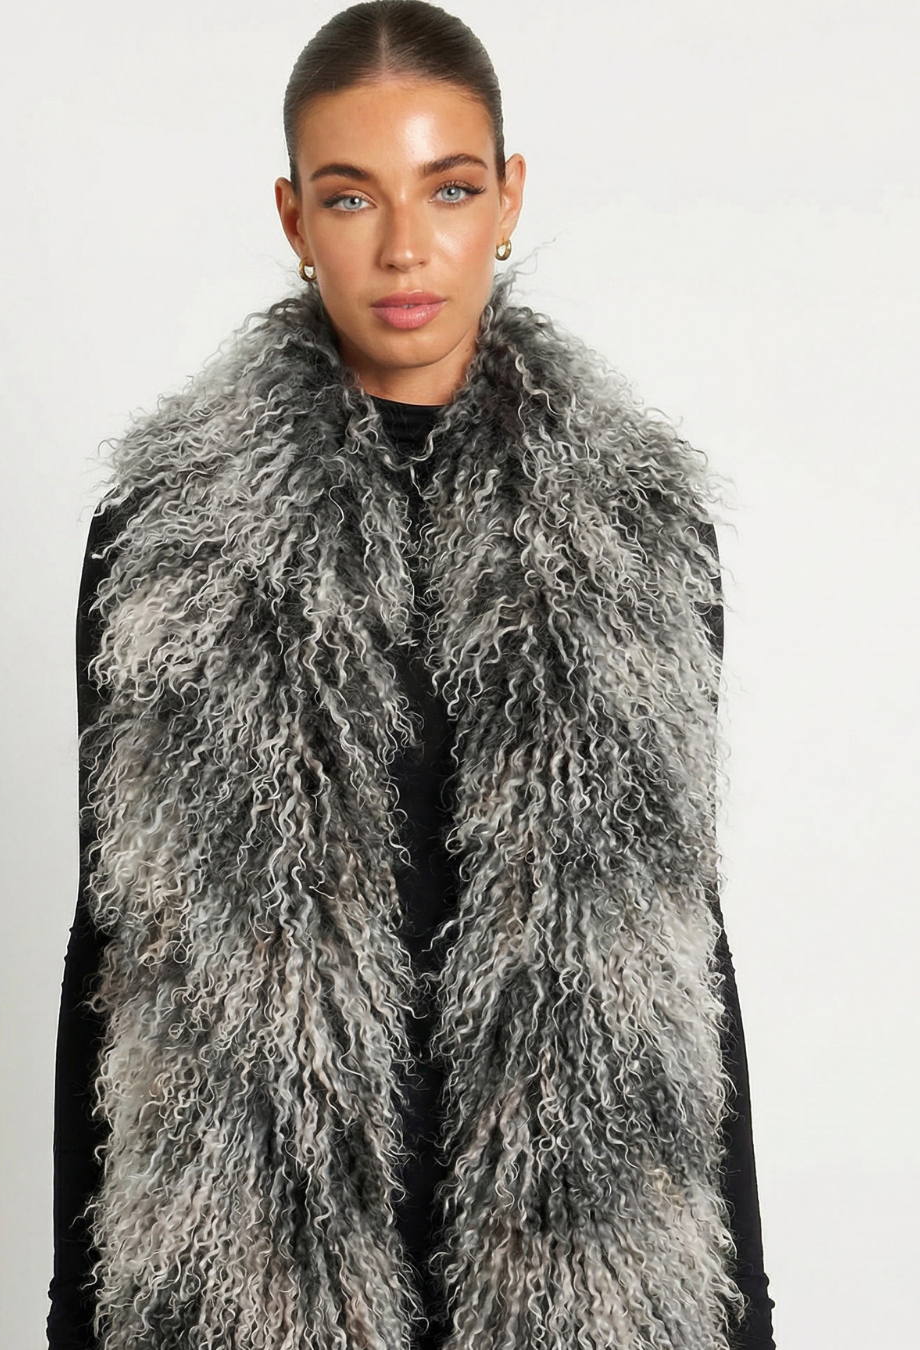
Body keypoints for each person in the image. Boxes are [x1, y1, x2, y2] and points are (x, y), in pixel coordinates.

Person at [47, 4, 777, 1348]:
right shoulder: (163, 535)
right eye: (350, 196)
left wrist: (749, 1319)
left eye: (447, 189)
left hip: (577, 1271)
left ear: (508, 198)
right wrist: (75, 1317)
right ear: (292, 217)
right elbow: (117, 943)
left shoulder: (641, 529)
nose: (402, 246)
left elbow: (684, 945)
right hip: (255, 1277)